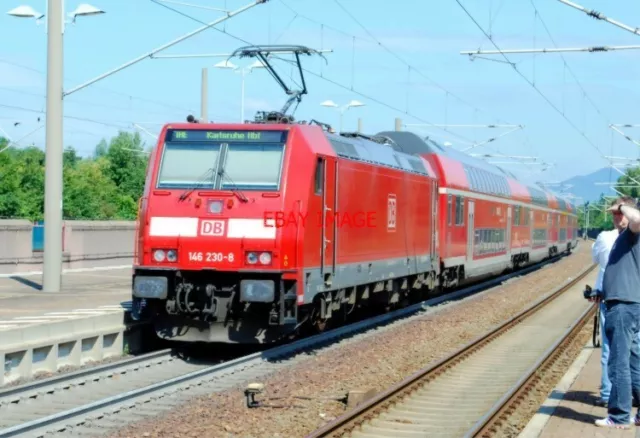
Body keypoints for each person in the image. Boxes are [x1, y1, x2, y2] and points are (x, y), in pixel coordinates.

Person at [595, 196, 640, 428]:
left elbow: (638, 219)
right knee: (633, 362)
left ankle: (619, 416)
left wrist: (624, 207)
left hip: (623, 306)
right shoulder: (625, 237)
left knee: (618, 363)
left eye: (619, 213)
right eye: (613, 213)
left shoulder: (633, 232)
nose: (616, 217)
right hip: (624, 303)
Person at [591, 218, 625, 406]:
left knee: (608, 348)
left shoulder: (604, 237)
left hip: (608, 296)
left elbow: (595, 258)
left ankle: (607, 393)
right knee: (633, 348)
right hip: (632, 298)